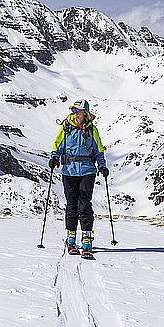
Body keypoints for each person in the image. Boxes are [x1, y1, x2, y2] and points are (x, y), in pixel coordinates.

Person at [49, 99, 109, 258]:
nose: (74, 113)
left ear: (85, 113)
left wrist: (102, 165)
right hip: (69, 171)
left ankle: (87, 239)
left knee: (85, 204)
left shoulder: (92, 130)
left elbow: (99, 150)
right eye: (73, 111)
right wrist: (54, 158)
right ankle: (71, 239)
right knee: (72, 205)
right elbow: (57, 145)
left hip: (88, 170)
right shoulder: (66, 127)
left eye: (77, 111)